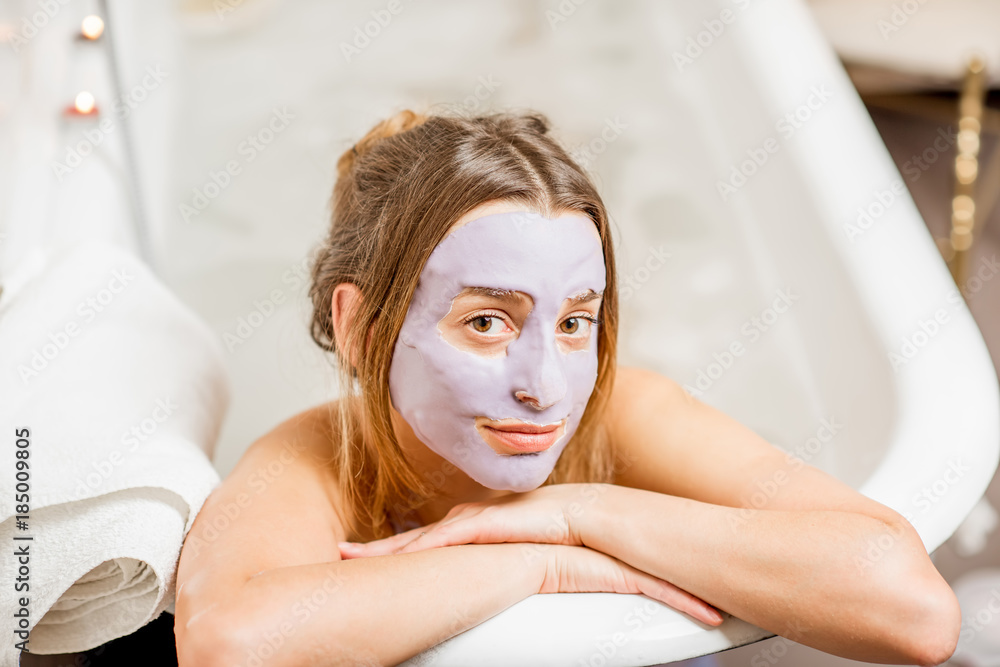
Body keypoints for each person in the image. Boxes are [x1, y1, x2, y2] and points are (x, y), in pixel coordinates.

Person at [173, 108, 961, 667]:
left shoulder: (625, 414)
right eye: (487, 323)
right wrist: (537, 562)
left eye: (576, 322)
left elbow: (916, 609)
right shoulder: (316, 459)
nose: (546, 387)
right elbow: (229, 644)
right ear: (361, 330)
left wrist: (575, 511)